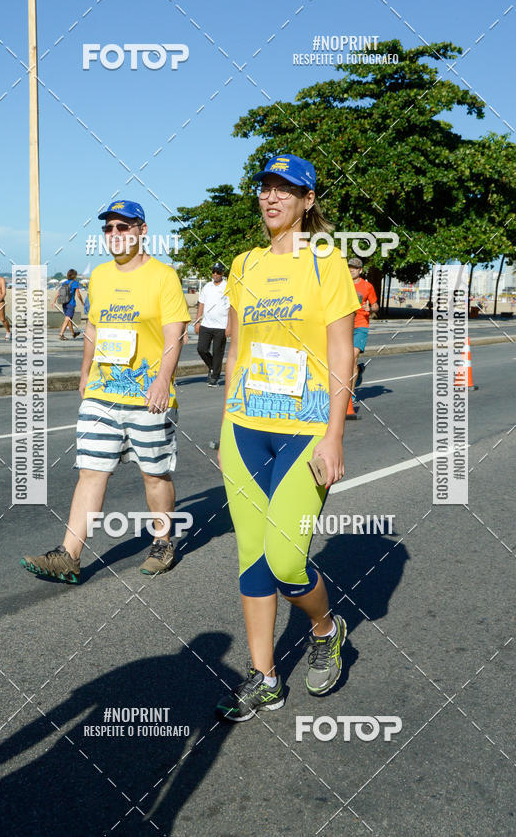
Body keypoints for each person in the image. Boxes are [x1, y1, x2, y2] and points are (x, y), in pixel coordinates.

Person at [215, 154, 360, 722]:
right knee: (252, 556)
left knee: (286, 559)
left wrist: (334, 436)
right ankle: (265, 677)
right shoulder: (244, 264)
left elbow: (342, 353)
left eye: (286, 189)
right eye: (265, 187)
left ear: (307, 200)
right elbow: (236, 349)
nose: (272, 197)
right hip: (245, 427)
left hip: (304, 430)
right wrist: (226, 424)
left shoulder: (327, 262)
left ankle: (325, 628)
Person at [21, 200, 190, 583]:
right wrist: (85, 372)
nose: (114, 234)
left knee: (155, 474)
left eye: (123, 226)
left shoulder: (164, 277)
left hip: (148, 396)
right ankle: (69, 555)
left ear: (142, 230)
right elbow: (94, 327)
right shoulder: (99, 276)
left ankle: (163, 542)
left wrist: (163, 380)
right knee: (91, 471)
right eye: (109, 228)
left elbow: (175, 333)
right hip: (102, 392)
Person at [348, 257, 379, 398]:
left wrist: (370, 309)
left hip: (361, 326)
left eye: (354, 268)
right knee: (344, 360)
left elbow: (376, 306)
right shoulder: (343, 284)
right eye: (349, 267)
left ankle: (351, 395)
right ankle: (359, 371)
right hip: (345, 326)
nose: (351, 270)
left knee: (353, 357)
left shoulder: (367, 286)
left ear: (360, 270)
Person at [195, 262, 230, 386]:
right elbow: (201, 304)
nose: (215, 274)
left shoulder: (227, 287)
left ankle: (214, 377)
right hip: (206, 324)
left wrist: (229, 326)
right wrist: (197, 322)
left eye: (218, 272)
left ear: (222, 273)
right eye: (213, 271)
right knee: (201, 349)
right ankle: (212, 367)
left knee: (217, 352)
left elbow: (231, 307)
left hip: (221, 326)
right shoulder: (207, 286)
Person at [53, 269, 84, 339]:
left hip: (64, 303)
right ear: (74, 276)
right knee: (67, 319)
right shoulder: (75, 283)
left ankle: (73, 333)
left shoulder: (64, 282)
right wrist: (82, 302)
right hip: (71, 303)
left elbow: (59, 292)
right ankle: (61, 334)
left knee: (69, 319)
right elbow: (78, 294)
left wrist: (54, 301)